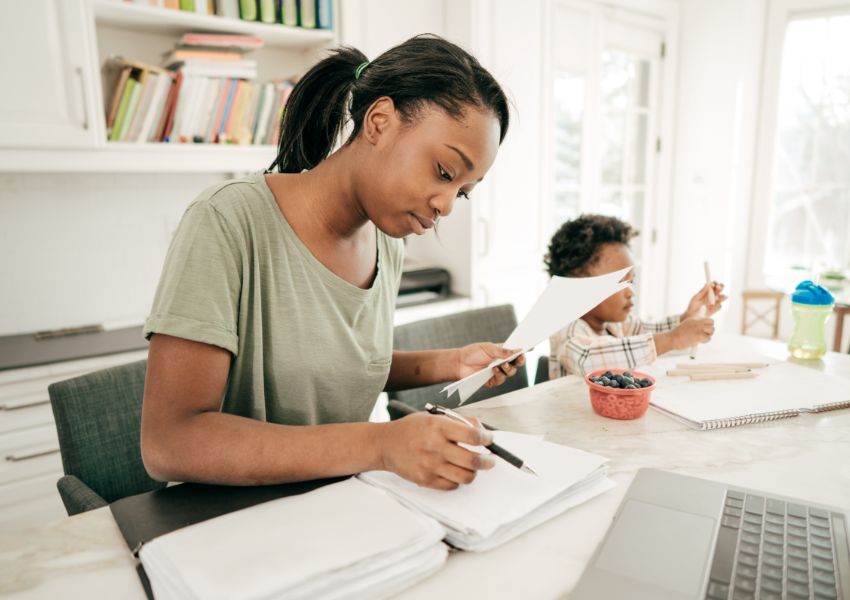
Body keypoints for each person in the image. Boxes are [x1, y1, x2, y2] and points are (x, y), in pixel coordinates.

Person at [141, 35, 525, 492]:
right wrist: (380, 445)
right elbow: (169, 443)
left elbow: (335, 366)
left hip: (340, 501)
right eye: (445, 172)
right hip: (229, 520)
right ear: (379, 122)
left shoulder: (388, 244)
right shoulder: (227, 221)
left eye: (463, 191)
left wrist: (449, 362)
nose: (447, 205)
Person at [544, 214, 725, 378]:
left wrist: (689, 316)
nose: (631, 292)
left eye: (631, 281)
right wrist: (673, 339)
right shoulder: (566, 330)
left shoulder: (615, 324)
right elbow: (588, 358)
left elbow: (650, 332)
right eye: (619, 282)